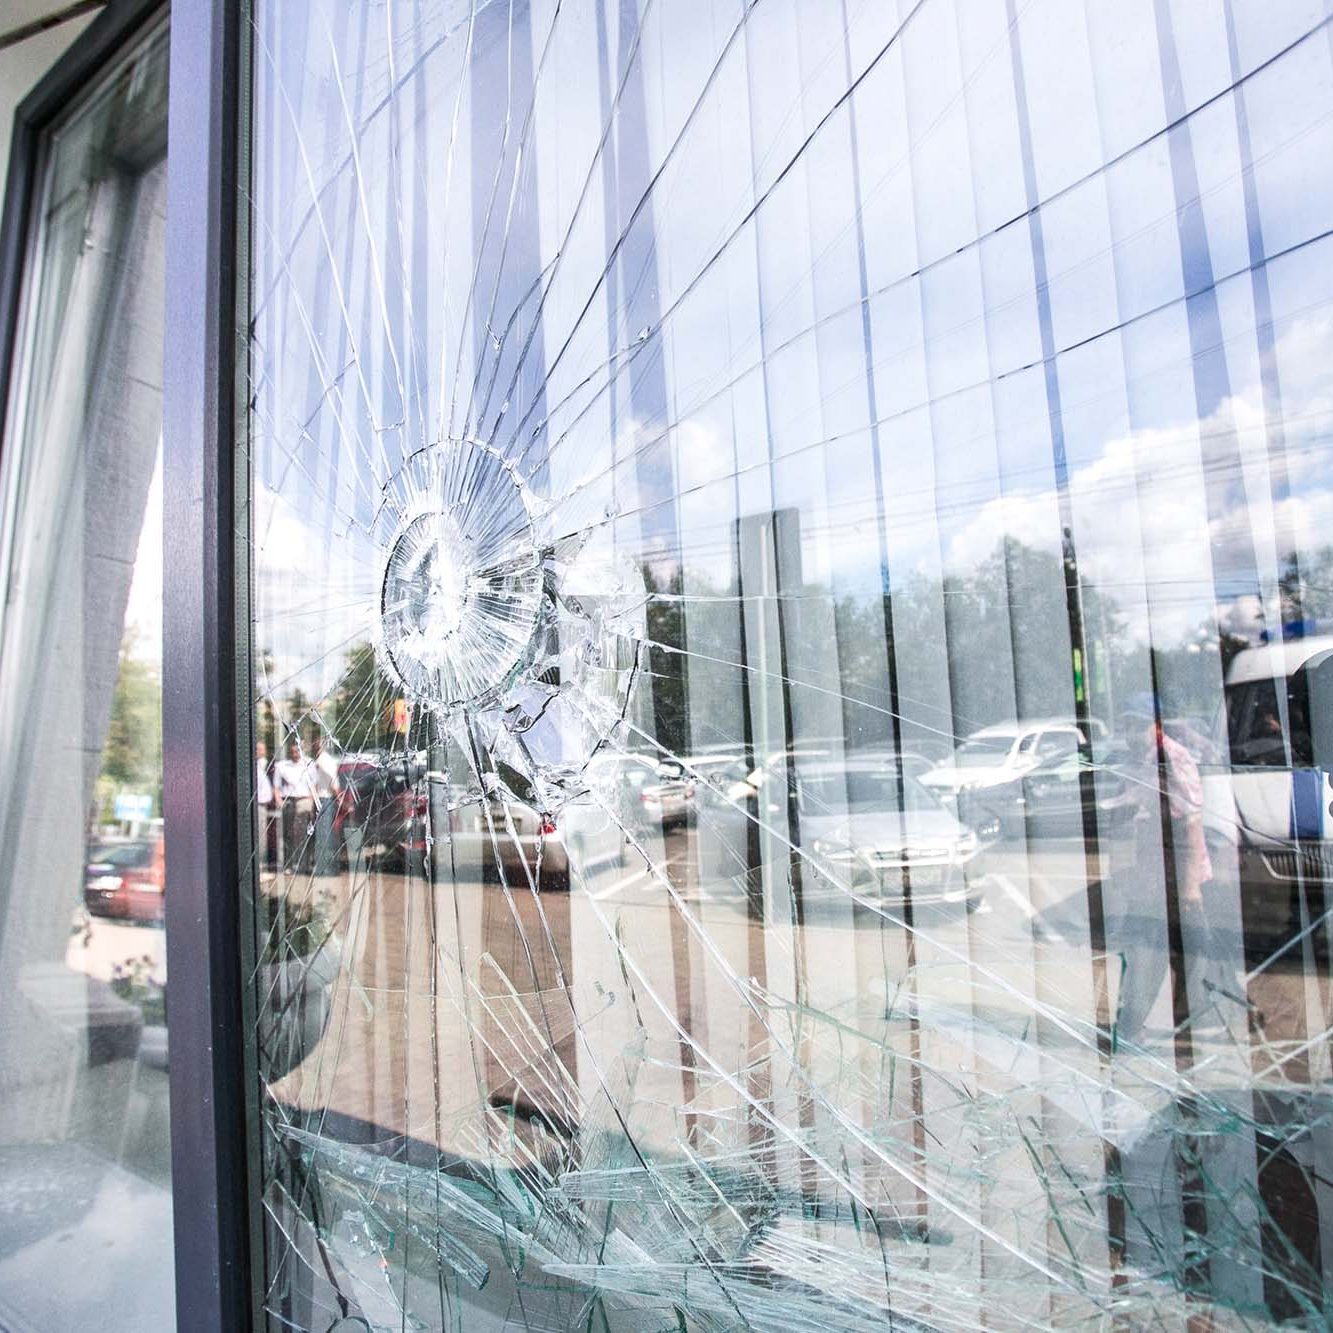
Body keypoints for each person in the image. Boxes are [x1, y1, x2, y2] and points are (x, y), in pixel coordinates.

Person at [274, 737, 318, 874]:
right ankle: (288, 865)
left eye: (298, 751)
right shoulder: (281, 766)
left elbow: (314, 784)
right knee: (288, 834)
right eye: (293, 752)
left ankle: (307, 864)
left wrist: (312, 801)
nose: (295, 754)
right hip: (289, 801)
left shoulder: (309, 764)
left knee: (305, 833)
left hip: (305, 800)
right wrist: (279, 801)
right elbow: (276, 787)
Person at [310, 733, 342, 876]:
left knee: (325, 835)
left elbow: (332, 782)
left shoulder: (324, 761)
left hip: (326, 799)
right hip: (322, 799)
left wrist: (340, 798)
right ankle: (325, 867)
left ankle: (328, 868)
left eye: (316, 744)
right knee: (323, 835)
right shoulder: (320, 761)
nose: (314, 747)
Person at [256, 740, 281, 868]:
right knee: (261, 834)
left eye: (261, 749)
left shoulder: (271, 765)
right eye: (257, 749)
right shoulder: (254, 765)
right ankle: (262, 862)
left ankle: (269, 860)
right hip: (260, 803)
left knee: (272, 833)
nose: (258, 751)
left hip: (270, 803)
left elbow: (275, 783)